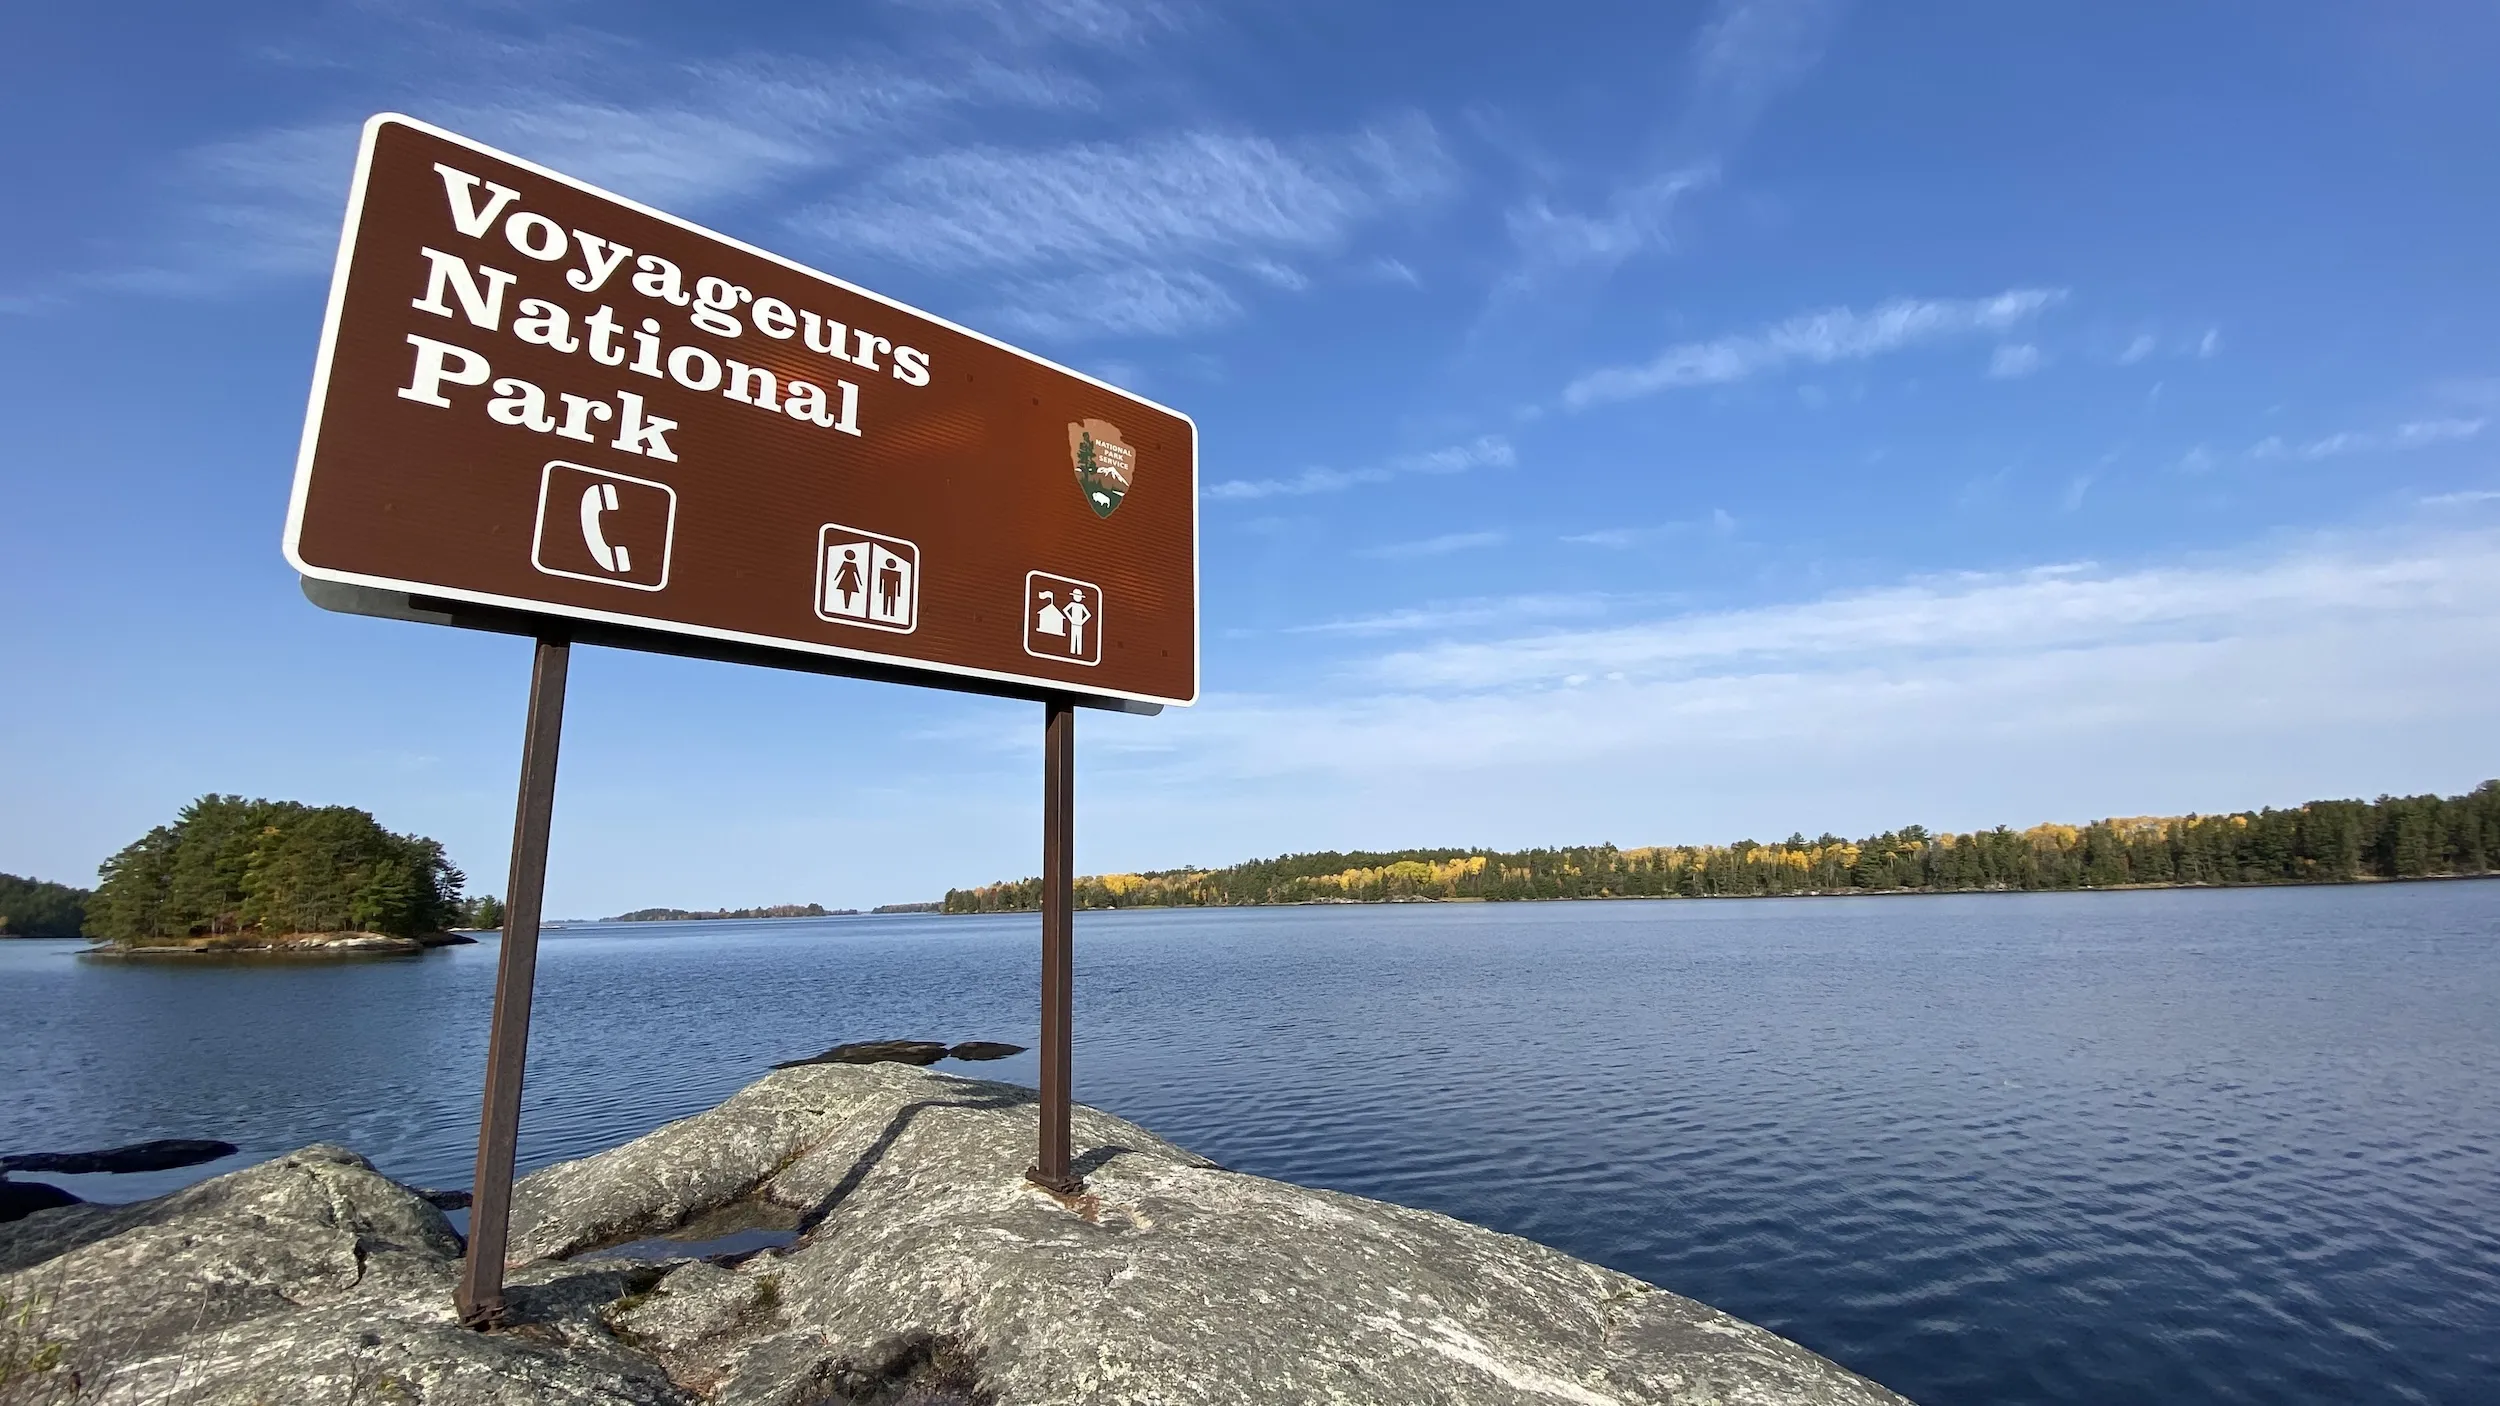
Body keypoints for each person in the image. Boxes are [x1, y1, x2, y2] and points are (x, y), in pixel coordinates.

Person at [831, 547, 863, 613]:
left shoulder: (853, 564)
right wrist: (835, 578)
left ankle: (847, 606)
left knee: (848, 592)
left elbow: (857, 574)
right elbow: (840, 571)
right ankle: (846, 606)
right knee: (846, 591)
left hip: (850, 580)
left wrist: (860, 582)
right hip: (846, 579)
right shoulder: (846, 563)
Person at [1061, 588, 1091, 657]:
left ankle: (1079, 652)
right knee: (1073, 637)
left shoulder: (1081, 606)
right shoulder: (1072, 604)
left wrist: (1082, 621)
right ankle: (1072, 651)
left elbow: (1088, 614)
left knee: (1079, 638)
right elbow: (1065, 610)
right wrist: (1071, 619)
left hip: (1079, 625)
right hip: (1073, 624)